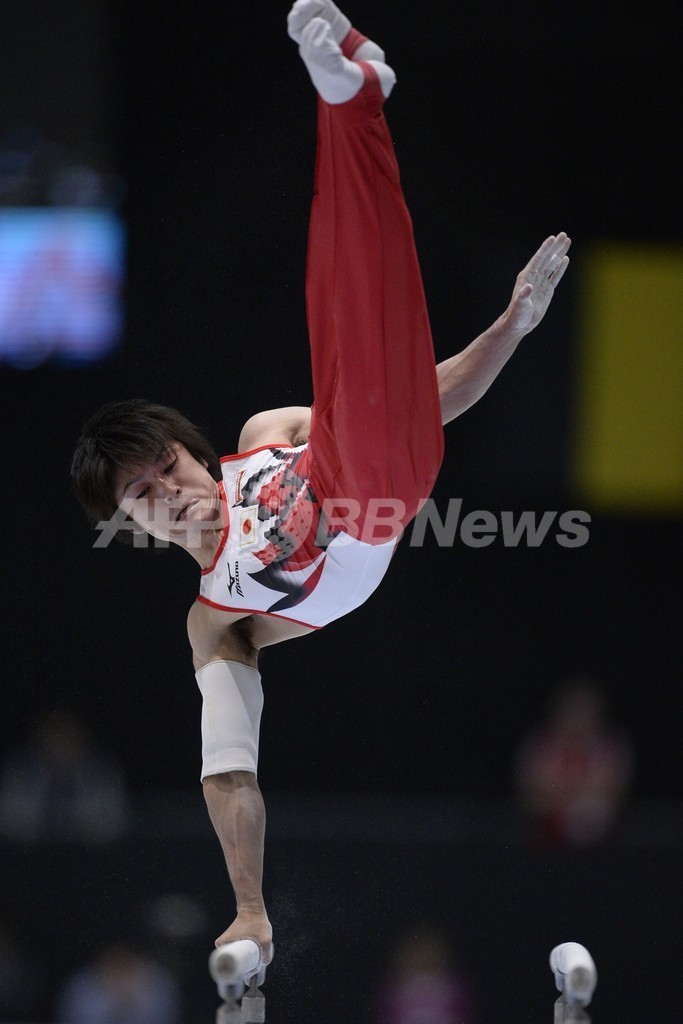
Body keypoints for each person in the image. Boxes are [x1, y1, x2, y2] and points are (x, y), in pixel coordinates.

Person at [71, 0, 571, 975]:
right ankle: (353, 102)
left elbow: (413, 400)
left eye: (163, 466)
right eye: (140, 496)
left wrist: (510, 325)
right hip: (367, 515)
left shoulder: (260, 437)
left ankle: (352, 100)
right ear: (129, 525)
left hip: (376, 459)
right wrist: (248, 905)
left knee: (333, 289)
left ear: (186, 447)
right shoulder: (216, 616)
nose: (165, 491)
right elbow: (229, 772)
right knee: (349, 349)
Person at [513, 673, 635, 848]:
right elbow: (531, 791)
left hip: (601, 841)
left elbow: (614, 791)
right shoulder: (541, 744)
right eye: (572, 710)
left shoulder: (611, 745)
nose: (577, 718)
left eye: (584, 710)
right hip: (544, 839)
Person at [0, 707, 129, 844]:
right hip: (28, 853)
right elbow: (8, 821)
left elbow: (114, 822)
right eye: (53, 737)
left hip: (91, 855)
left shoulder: (101, 771)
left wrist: (77, 825)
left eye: (67, 737)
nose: (60, 744)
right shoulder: (20, 770)